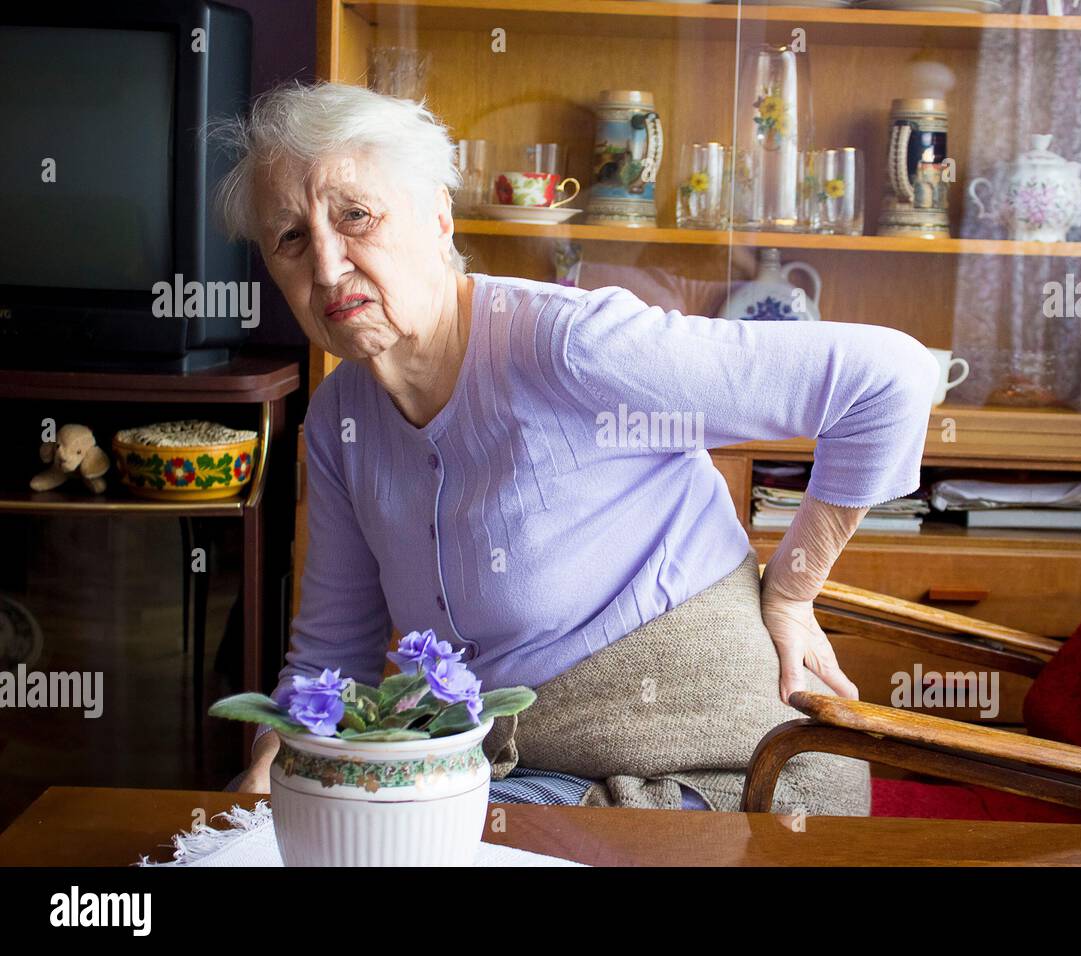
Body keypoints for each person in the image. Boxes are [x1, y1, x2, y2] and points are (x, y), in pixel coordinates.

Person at [213, 81, 938, 806]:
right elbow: (332, 658)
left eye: (357, 217)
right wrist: (266, 779)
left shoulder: (570, 345)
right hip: (521, 779)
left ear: (439, 218)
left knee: (408, 839)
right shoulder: (342, 419)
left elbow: (891, 379)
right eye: (292, 237)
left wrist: (792, 587)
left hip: (729, 779)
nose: (329, 266)